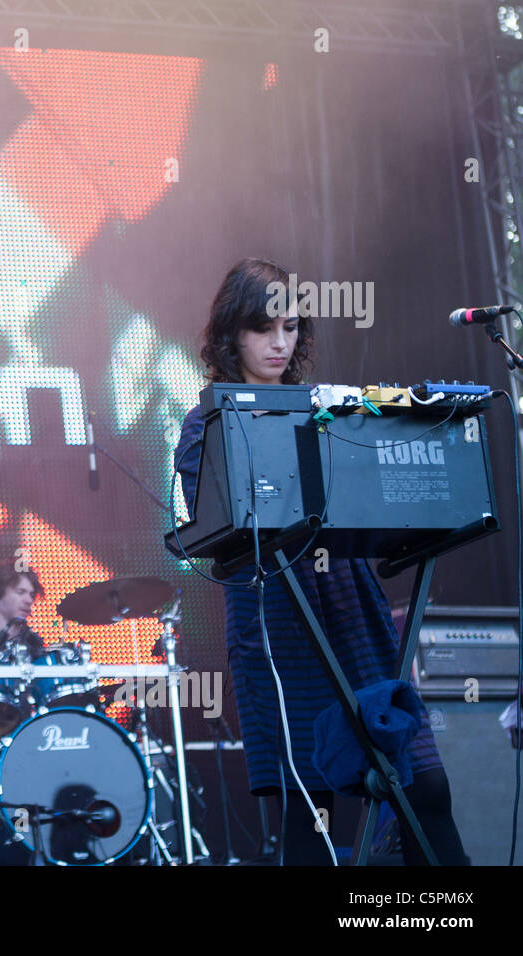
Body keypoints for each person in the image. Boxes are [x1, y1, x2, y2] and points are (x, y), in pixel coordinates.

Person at [174, 257, 470, 865]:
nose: (280, 343)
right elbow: (217, 525)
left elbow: (371, 489)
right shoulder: (204, 422)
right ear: (231, 334)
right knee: (312, 809)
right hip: (277, 623)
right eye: (264, 329)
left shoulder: (330, 406)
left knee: (423, 786)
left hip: (350, 609)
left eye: (290, 328)